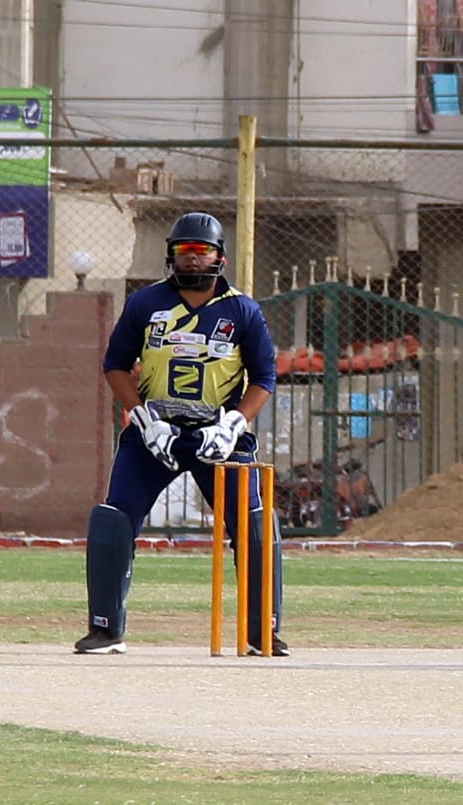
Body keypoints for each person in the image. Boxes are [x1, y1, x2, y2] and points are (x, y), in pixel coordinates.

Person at [75, 211, 288, 656]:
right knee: (115, 517)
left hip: (219, 436)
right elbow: (115, 365)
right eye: (184, 252)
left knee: (252, 523)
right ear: (171, 256)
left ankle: (259, 631)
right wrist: (143, 418)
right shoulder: (145, 303)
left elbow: (265, 377)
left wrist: (233, 424)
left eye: (202, 251)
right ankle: (105, 628)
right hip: (157, 434)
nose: (193, 260)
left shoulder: (242, 310)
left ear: (220, 258)